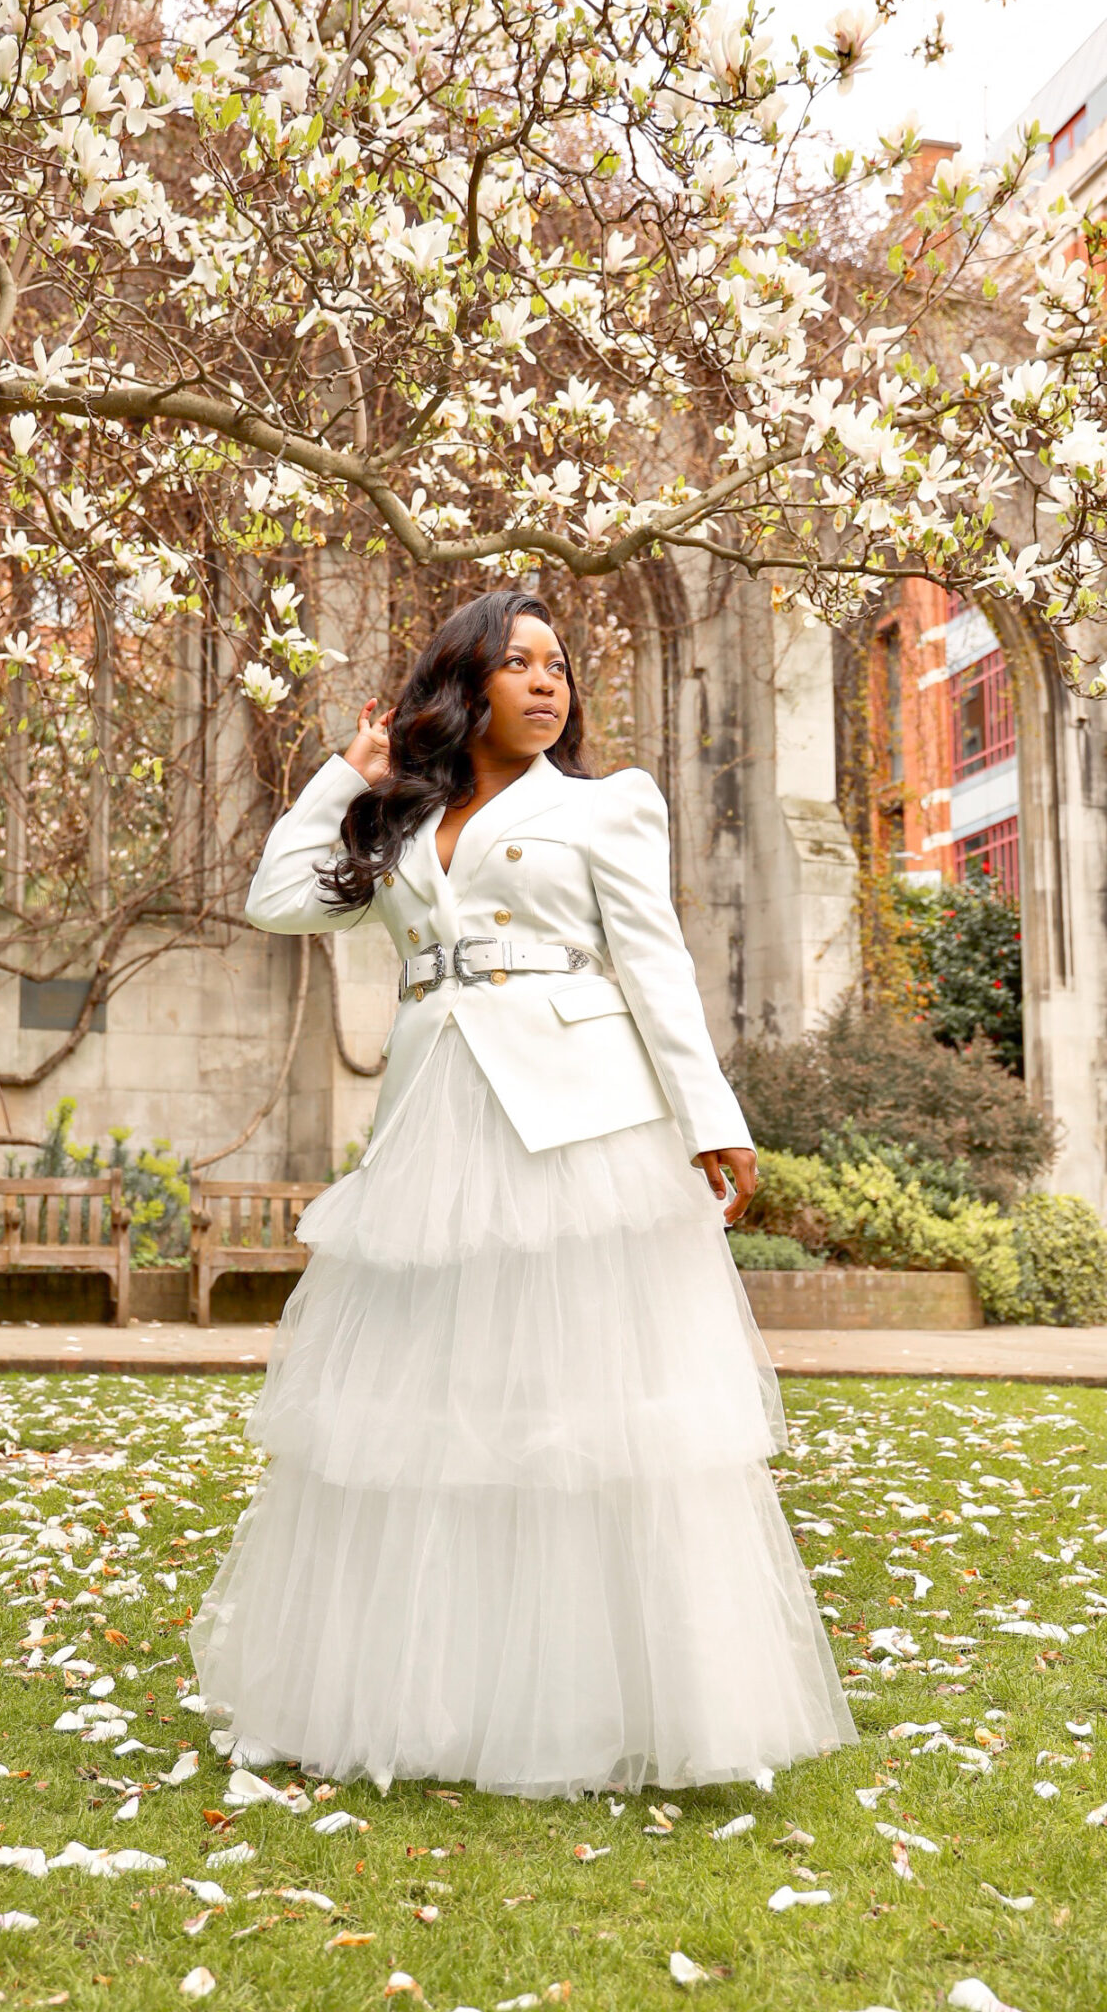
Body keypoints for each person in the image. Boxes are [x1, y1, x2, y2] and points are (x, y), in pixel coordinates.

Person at [189, 591, 857, 1798]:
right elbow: (277, 900)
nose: (548, 685)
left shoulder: (610, 805)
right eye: (519, 665)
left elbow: (653, 963)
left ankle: (614, 1696)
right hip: (434, 1120)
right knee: (432, 1412)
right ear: (465, 686)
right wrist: (348, 774)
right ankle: (444, 1696)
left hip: (581, 1125)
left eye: (560, 666)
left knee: (586, 1413)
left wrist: (712, 1120)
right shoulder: (395, 818)